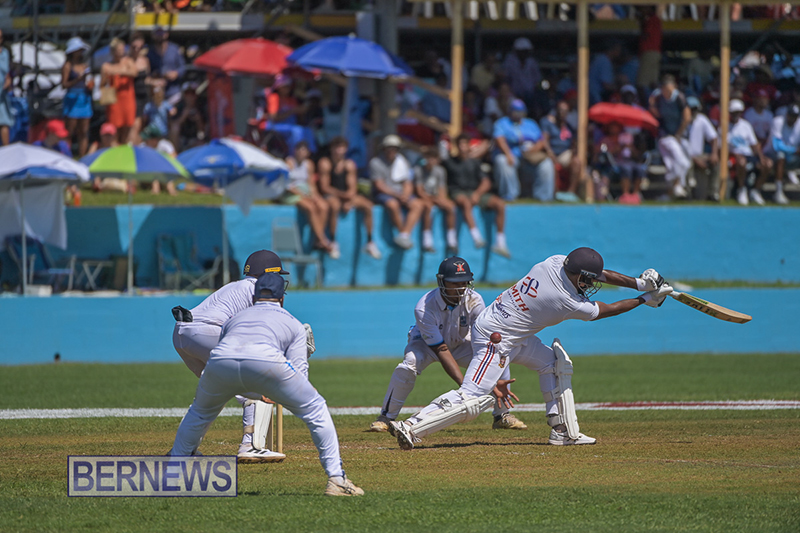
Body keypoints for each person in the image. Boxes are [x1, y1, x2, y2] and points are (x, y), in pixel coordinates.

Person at [390, 247, 673, 449]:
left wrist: (639, 283)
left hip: (512, 334)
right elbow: (606, 309)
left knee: (553, 364)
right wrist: (646, 299)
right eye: (586, 280)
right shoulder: (564, 300)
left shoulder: (555, 262)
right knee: (473, 397)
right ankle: (412, 426)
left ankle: (562, 431)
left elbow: (599, 274)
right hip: (496, 339)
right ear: (575, 275)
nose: (590, 284)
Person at [170, 271, 363, 497]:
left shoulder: (235, 318)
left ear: (254, 296)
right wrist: (283, 392)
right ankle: (337, 480)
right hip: (266, 362)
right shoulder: (292, 322)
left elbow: (230, 358)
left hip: (221, 360)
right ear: (281, 297)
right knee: (316, 408)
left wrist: (255, 390)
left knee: (199, 413)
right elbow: (299, 373)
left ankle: (173, 475)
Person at [369, 257, 526, 433]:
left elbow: (481, 340)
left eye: (464, 282)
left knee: (498, 355)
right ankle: (386, 417)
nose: (461, 288)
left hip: (460, 344)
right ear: (441, 281)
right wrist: (468, 391)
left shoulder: (475, 301)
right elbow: (441, 349)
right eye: (455, 283)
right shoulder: (424, 307)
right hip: (426, 346)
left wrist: (490, 377)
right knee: (409, 364)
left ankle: (501, 415)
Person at [172, 251, 296, 464]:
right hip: (208, 332)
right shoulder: (257, 290)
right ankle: (252, 445)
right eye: (277, 276)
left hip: (182, 333)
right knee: (257, 382)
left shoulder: (236, 287)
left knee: (212, 395)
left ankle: (182, 452)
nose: (280, 282)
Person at [443, 134, 510, 257]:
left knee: (500, 204)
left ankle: (500, 243)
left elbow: (486, 182)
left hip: (475, 192)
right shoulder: (449, 163)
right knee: (465, 202)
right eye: (460, 144)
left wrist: (477, 194)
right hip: (458, 193)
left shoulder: (475, 163)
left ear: (469, 146)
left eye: (465, 144)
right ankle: (476, 237)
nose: (462, 147)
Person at [317, 136, 382, 260]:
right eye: (336, 147)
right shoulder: (325, 163)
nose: (339, 151)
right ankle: (333, 241)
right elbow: (325, 187)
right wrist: (344, 197)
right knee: (334, 206)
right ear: (331, 149)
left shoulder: (349, 165)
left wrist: (348, 199)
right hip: (331, 196)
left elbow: (352, 188)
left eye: (342, 148)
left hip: (345, 196)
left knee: (368, 206)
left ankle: (369, 242)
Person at [493, 99, 555, 201]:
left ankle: (544, 197)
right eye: (515, 111)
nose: (518, 114)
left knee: (547, 163)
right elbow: (499, 139)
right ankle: (510, 195)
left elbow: (541, 141)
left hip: (530, 158)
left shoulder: (531, 124)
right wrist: (508, 154)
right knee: (502, 160)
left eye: (520, 111)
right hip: (513, 156)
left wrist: (533, 150)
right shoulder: (502, 123)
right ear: (510, 111)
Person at [369, 134, 424, 249]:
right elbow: (379, 185)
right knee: (392, 205)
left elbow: (407, 183)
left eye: (394, 148)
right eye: (389, 148)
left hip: (400, 193)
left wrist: (406, 194)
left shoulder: (402, 162)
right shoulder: (376, 162)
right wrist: (397, 195)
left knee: (418, 205)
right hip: (385, 194)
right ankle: (402, 232)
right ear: (384, 149)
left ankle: (404, 235)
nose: (392, 151)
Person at [282, 141, 334, 256]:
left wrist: (315, 195)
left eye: (304, 150)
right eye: (299, 149)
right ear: (295, 151)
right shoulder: (289, 162)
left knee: (323, 206)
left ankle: (317, 239)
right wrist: (301, 194)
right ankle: (322, 239)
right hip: (291, 192)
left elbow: (311, 184)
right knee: (310, 207)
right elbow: (286, 184)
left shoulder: (309, 164)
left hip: (305, 191)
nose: (301, 152)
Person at [649, 74, 692, 198]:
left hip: (678, 136)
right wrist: (651, 104)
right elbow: (657, 115)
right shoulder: (658, 98)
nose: (668, 93)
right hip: (664, 136)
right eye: (665, 90)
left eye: (670, 90)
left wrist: (678, 134)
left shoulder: (679, 98)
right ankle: (677, 187)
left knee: (677, 165)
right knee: (674, 163)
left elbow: (687, 118)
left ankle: (673, 190)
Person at [728, 99, 772, 206]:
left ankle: (755, 190)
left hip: (748, 154)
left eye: (738, 112)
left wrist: (761, 158)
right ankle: (742, 189)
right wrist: (735, 155)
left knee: (768, 164)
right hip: (734, 156)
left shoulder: (746, 125)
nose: (736, 115)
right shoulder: (725, 127)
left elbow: (754, 144)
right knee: (741, 162)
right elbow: (724, 147)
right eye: (734, 112)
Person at [414, 146, 457, 254]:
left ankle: (452, 240)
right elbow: (419, 191)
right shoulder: (418, 170)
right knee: (429, 208)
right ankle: (427, 241)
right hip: (423, 198)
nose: (431, 161)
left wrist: (441, 200)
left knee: (451, 207)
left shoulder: (440, 171)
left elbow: (442, 190)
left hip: (435, 198)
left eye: (434, 158)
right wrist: (432, 199)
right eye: (429, 158)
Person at [541, 101, 585, 203]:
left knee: (577, 162)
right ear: (556, 111)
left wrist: (575, 150)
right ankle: (554, 194)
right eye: (560, 110)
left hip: (564, 154)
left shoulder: (569, 126)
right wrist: (551, 155)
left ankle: (571, 193)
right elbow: (544, 142)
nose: (562, 113)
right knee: (551, 165)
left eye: (565, 111)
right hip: (551, 153)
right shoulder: (548, 123)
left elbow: (574, 143)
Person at [594, 122, 645, 204]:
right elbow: (606, 153)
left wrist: (630, 147)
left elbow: (637, 155)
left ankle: (636, 193)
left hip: (628, 161)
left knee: (639, 168)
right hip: (614, 163)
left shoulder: (625, 137)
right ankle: (626, 194)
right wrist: (620, 148)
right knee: (626, 168)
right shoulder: (606, 140)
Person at [683, 96, 720, 201]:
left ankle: (713, 192)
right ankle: (688, 192)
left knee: (715, 162)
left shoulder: (702, 120)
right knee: (686, 162)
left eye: (695, 109)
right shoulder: (682, 121)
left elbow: (714, 137)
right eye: (691, 109)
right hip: (686, 155)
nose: (693, 112)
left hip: (699, 155)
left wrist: (714, 154)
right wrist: (694, 158)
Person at [101, 37, 138, 144]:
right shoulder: (106, 65)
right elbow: (102, 84)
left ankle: (124, 147)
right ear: (113, 51)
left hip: (127, 98)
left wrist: (117, 71)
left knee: (127, 126)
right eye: (119, 50)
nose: (121, 52)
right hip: (114, 99)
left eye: (122, 50)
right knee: (114, 126)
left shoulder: (128, 61)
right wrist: (118, 71)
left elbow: (134, 73)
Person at [61, 37, 93, 157]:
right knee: (69, 131)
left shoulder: (85, 66)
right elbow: (64, 84)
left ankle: (82, 156)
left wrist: (90, 84)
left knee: (83, 132)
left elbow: (89, 81)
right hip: (72, 97)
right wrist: (77, 80)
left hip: (84, 97)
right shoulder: (67, 66)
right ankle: (66, 155)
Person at [767, 104, 800, 205]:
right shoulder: (778, 122)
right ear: (787, 115)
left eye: (795, 116)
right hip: (772, 156)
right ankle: (778, 192)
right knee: (781, 155)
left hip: (793, 158)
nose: (793, 118)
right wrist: (794, 150)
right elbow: (777, 146)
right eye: (791, 115)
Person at [147, 27, 185, 99]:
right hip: (157, 93)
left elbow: (183, 67)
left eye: (162, 33)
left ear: (166, 34)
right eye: (157, 33)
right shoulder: (150, 52)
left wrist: (176, 73)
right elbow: (147, 73)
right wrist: (155, 79)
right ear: (153, 36)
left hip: (173, 92)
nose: (160, 36)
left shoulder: (174, 49)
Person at [502, 37, 541, 108]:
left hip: (530, 96)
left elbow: (537, 80)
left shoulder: (532, 62)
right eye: (521, 51)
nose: (523, 53)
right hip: (514, 95)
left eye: (525, 51)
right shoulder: (510, 62)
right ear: (516, 51)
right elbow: (506, 79)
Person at [128, 32, 151, 144]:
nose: (137, 50)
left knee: (143, 123)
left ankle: (139, 145)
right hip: (132, 95)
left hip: (144, 95)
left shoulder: (145, 60)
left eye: (140, 48)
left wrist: (156, 82)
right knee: (135, 124)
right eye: (134, 47)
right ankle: (132, 147)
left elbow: (147, 78)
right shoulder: (127, 61)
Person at [636, 6, 662, 90]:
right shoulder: (652, 19)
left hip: (649, 52)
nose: (641, 11)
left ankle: (646, 103)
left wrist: (641, 21)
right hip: (654, 52)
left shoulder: (652, 19)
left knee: (641, 84)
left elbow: (645, 35)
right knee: (652, 82)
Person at [589, 40, 622, 105]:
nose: (619, 53)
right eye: (618, 50)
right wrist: (621, 88)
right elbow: (607, 85)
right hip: (595, 98)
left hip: (592, 96)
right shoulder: (604, 61)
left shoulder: (601, 58)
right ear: (614, 49)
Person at [0, 29, 13, 146]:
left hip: (2, 93)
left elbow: (7, 73)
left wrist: (8, 81)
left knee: (4, 123)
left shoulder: (5, 53)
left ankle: (6, 150)